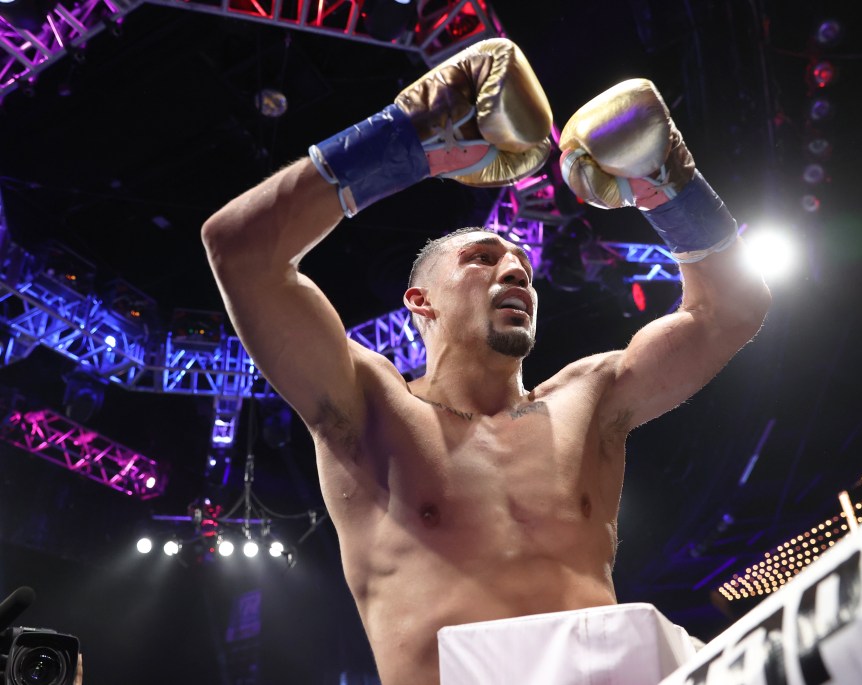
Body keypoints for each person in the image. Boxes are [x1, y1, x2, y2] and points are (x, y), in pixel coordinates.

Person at [202, 38, 770, 685]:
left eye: (523, 267)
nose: (515, 272)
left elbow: (732, 310)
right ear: (420, 301)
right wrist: (408, 136)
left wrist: (667, 181)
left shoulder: (591, 398)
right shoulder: (369, 407)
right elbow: (240, 251)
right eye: (482, 259)